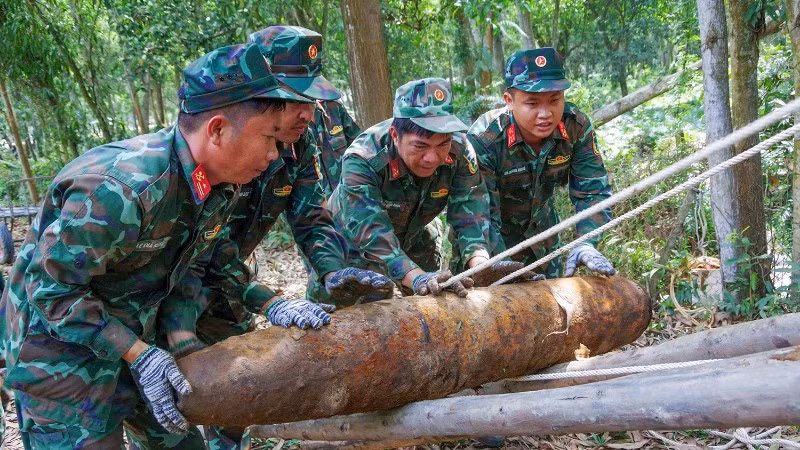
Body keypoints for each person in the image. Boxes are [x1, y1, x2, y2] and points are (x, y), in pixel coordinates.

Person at [0, 42, 310, 449]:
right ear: (216, 130)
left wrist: (271, 302)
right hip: (61, 361)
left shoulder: (217, 183)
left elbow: (212, 258)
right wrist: (138, 353)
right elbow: (53, 291)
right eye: (269, 138)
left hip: (137, 340)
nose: (274, 154)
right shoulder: (122, 190)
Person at [146, 26, 393, 449]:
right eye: (295, 100)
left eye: (311, 100)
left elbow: (311, 217)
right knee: (169, 412)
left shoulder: (300, 143)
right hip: (169, 290)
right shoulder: (211, 142)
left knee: (234, 402)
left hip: (229, 283)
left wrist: (333, 272)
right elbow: (199, 244)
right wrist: (263, 303)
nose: (308, 114)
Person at [329, 78, 537, 300]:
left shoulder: (459, 150)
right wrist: (416, 277)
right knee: (351, 315)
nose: (432, 158)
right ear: (395, 135)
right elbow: (372, 233)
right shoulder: (363, 159)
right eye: (420, 146)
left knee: (435, 300)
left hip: (416, 232)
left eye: (442, 145)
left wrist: (481, 266)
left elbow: (470, 214)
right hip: (347, 242)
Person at [462, 47, 616, 280]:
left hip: (544, 245)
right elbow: (479, 213)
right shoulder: (486, 139)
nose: (545, 113)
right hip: (489, 249)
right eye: (532, 103)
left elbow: (593, 192)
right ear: (509, 101)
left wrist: (586, 242)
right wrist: (498, 265)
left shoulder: (576, 126)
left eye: (555, 100)